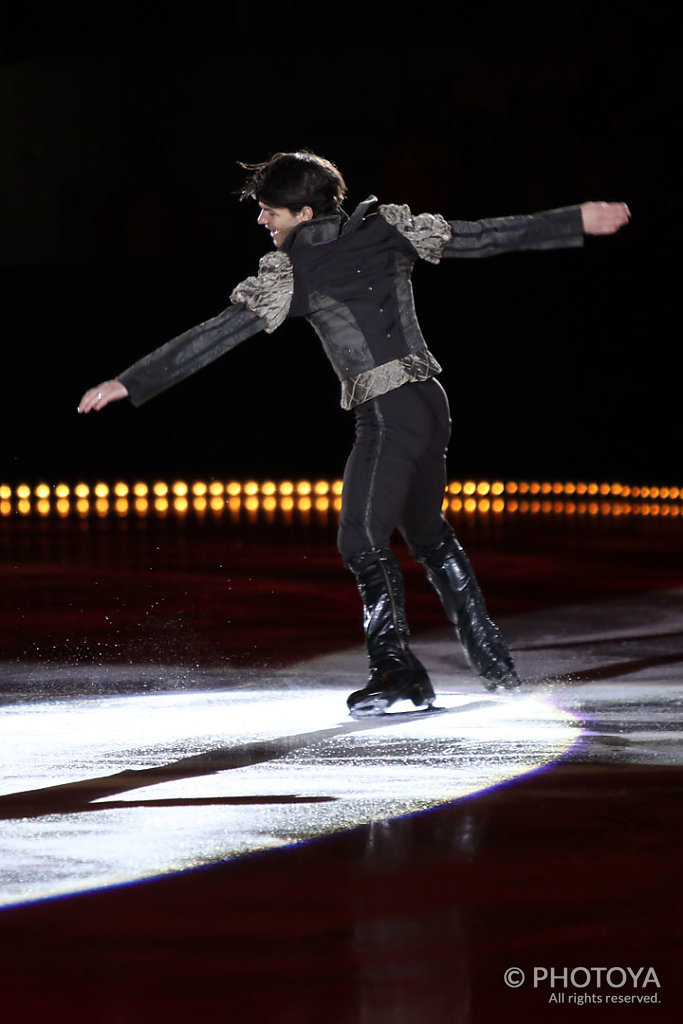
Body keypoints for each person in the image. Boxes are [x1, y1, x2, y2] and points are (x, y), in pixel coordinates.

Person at [79, 150, 630, 717]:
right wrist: (575, 219)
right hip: (430, 404)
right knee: (427, 534)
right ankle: (494, 663)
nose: (262, 223)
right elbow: (482, 237)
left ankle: (396, 671)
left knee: (361, 539)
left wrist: (130, 382)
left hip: (389, 411)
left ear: (304, 211)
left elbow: (218, 335)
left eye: (271, 212)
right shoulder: (387, 229)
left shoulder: (297, 272)